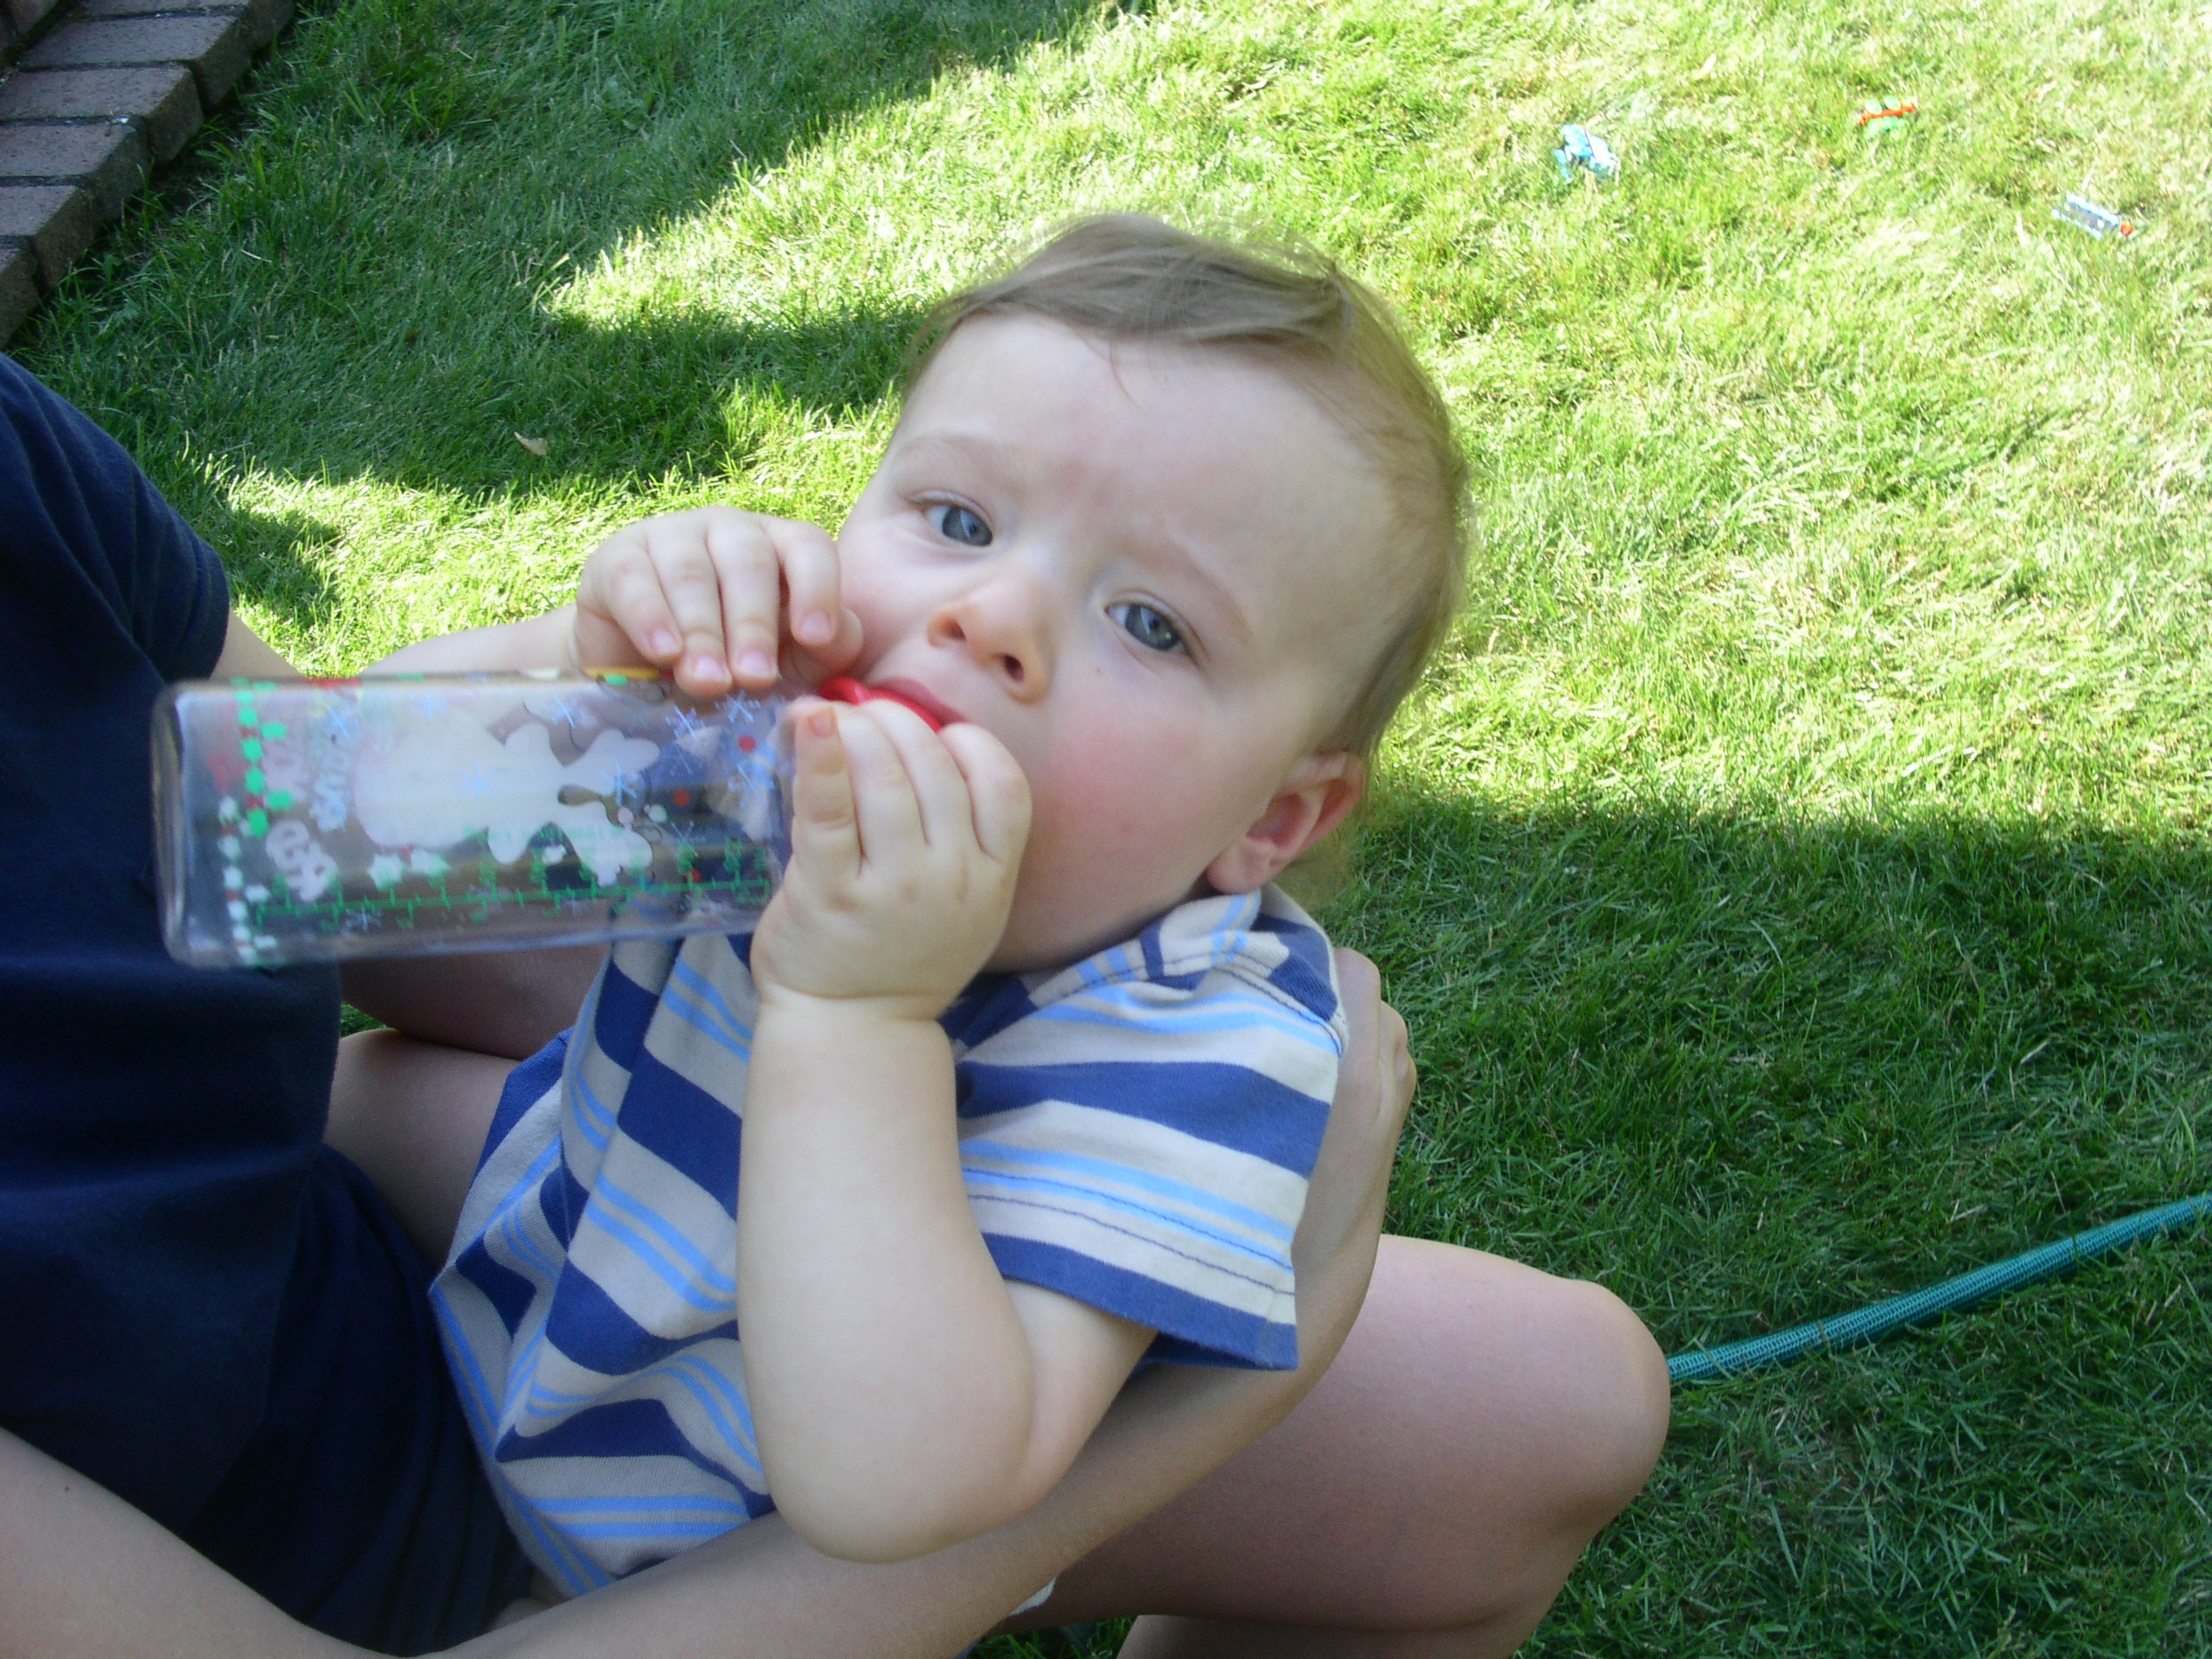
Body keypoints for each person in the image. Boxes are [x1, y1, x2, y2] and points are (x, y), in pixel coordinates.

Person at [0, 234, 1666, 1659]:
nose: (990, 617)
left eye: (1152, 624)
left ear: (1274, 820)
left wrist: (849, 1014)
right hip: (458, 1459)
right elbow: (331, 823)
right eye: (957, 519)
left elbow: (898, 1487)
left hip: (620, 1564)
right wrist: (585, 692)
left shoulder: (1197, 1053)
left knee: (1552, 1397)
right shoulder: (780, 786)